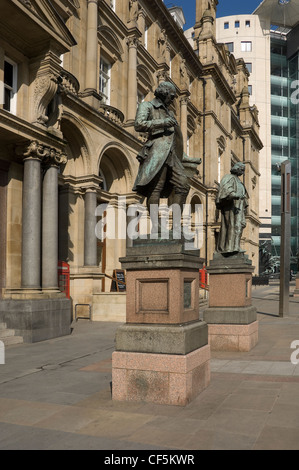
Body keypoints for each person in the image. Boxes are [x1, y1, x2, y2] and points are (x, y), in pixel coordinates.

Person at [133, 81, 201, 234]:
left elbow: (174, 140)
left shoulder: (170, 113)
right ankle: (156, 227)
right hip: (156, 152)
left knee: (183, 186)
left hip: (172, 156)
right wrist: (162, 122)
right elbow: (139, 124)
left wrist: (188, 159)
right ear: (164, 93)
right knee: (155, 189)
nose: (172, 100)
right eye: (171, 96)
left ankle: (175, 226)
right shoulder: (148, 106)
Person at [216, 162, 249, 254]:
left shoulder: (239, 181)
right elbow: (226, 188)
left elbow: (244, 195)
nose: (242, 171)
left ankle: (236, 246)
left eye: (243, 170)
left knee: (240, 226)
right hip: (231, 206)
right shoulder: (228, 177)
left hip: (239, 207)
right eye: (241, 169)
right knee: (232, 225)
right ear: (237, 168)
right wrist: (234, 195)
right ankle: (229, 248)